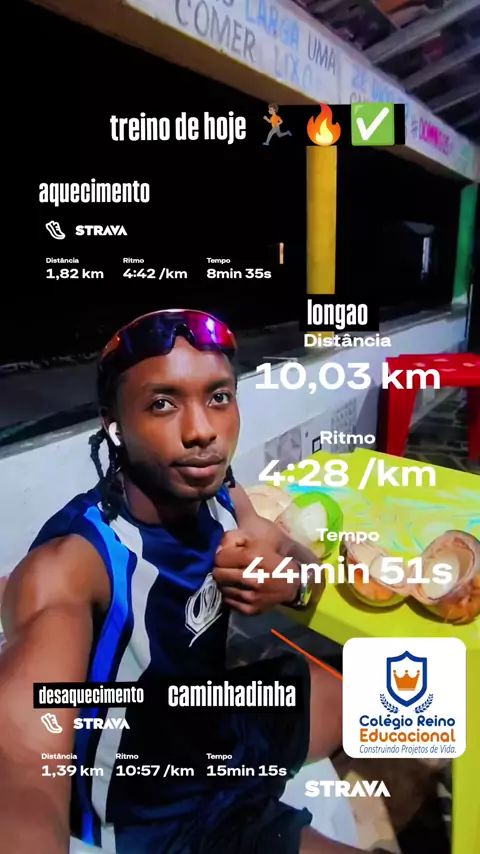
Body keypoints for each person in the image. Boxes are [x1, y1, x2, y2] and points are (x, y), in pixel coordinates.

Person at [0, 309, 365, 854]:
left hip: (216, 721)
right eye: (163, 404)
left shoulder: (221, 495)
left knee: (403, 701)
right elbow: (22, 767)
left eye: (218, 397)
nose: (202, 431)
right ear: (113, 424)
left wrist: (292, 585)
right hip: (158, 810)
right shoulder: (78, 563)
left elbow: (298, 558)